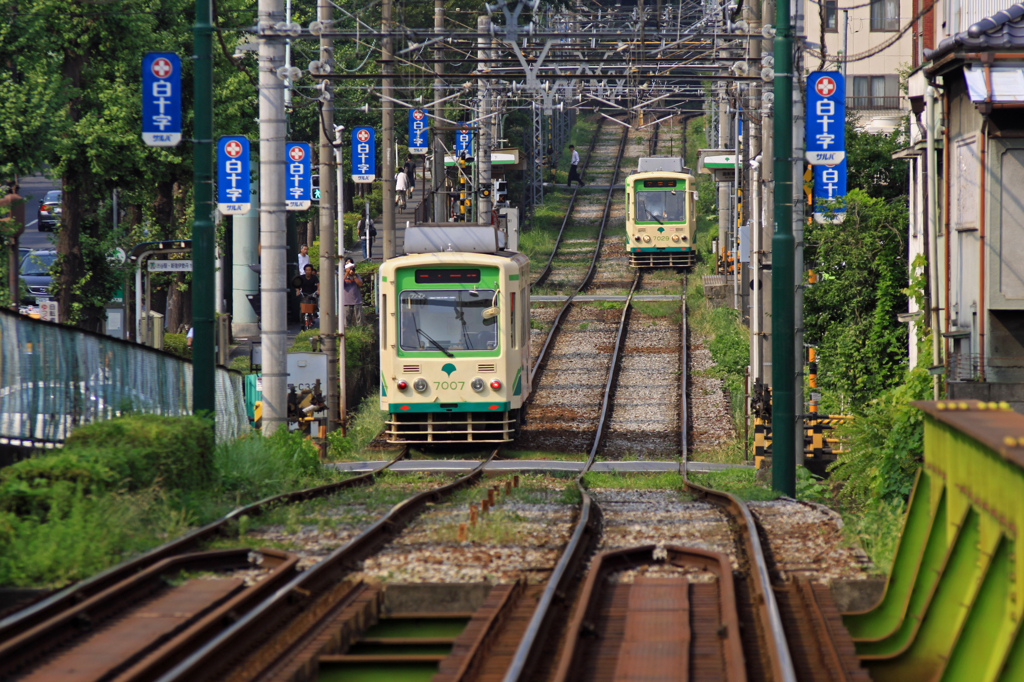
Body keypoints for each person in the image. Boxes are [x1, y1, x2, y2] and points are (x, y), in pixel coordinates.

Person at [342, 260, 364, 326]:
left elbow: (360, 284)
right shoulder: (343, 276)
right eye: (350, 268)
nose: (352, 270)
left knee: (359, 321)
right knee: (346, 322)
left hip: (357, 301)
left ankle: (360, 332)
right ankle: (348, 333)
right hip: (346, 302)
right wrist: (346, 274)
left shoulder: (356, 276)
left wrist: (354, 276)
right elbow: (340, 284)